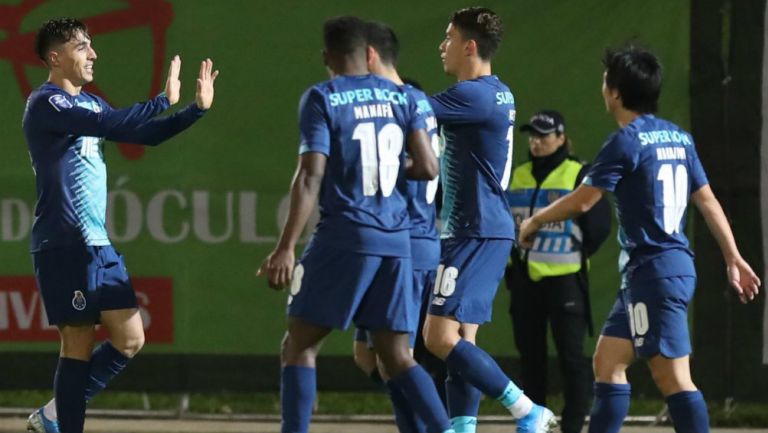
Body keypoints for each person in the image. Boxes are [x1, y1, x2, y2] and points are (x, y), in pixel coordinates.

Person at [518, 45, 761, 433]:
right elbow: (708, 200)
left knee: (673, 377)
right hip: (653, 273)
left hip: (655, 273)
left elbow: (583, 202)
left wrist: (533, 222)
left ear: (614, 91)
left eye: (605, 80)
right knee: (608, 362)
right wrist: (732, 256)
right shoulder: (679, 138)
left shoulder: (626, 141)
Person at [257, 16, 455, 433]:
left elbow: (310, 176)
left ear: (327, 56)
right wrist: (383, 168)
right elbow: (429, 165)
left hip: (346, 235)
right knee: (397, 355)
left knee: (298, 346)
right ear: (369, 54)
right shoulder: (405, 98)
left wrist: (286, 247)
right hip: (397, 240)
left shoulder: (323, 98)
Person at [22, 18, 218, 433]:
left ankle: (54, 415)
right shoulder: (47, 103)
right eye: (82, 47)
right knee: (77, 344)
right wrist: (161, 97)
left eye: (91, 45)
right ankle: (65, 424)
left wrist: (194, 111)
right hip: (63, 242)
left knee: (131, 338)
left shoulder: (91, 103)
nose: (93, 54)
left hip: (97, 243)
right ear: (55, 58)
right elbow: (111, 126)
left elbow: (143, 135)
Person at [421, 7, 557, 433]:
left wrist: (374, 83)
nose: (442, 46)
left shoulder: (473, 95)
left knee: (437, 338)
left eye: (448, 38)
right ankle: (462, 428)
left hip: (472, 231)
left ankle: (526, 410)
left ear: (470, 46)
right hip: (485, 229)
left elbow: (413, 109)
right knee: (463, 339)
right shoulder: (496, 92)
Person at [350, 21, 443, 433]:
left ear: (370, 54)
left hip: (398, 246)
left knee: (397, 360)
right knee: (396, 359)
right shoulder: (424, 104)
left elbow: (417, 168)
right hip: (421, 243)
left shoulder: (389, 104)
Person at [505, 110, 611, 433]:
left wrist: (570, 254)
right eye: (532, 135)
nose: (536, 142)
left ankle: (573, 426)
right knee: (530, 358)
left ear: (562, 138)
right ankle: (534, 423)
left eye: (544, 136)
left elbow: (599, 226)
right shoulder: (517, 174)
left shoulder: (578, 173)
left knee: (572, 359)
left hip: (565, 281)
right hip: (525, 281)